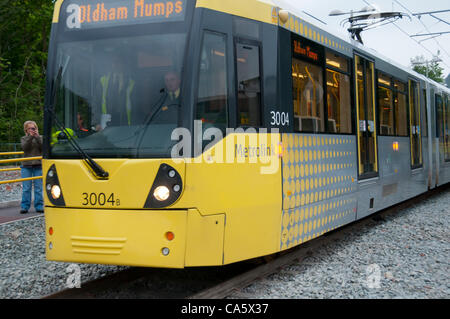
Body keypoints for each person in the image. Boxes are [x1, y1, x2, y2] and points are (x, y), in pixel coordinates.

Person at [97, 56, 135, 129]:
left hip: (126, 124)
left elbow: (136, 106)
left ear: (123, 64)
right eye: (114, 62)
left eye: (118, 62)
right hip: (106, 124)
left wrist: (135, 124)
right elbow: (96, 103)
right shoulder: (102, 81)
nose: (116, 64)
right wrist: (96, 122)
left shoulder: (131, 82)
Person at [20, 121, 44, 214]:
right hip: (26, 166)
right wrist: (30, 137)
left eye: (33, 128)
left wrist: (37, 137)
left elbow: (43, 147)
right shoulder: (24, 138)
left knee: (38, 188)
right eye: (30, 128)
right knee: (26, 188)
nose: (32, 130)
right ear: (26, 129)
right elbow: (24, 148)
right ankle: (24, 206)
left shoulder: (40, 137)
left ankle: (39, 206)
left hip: (38, 165)